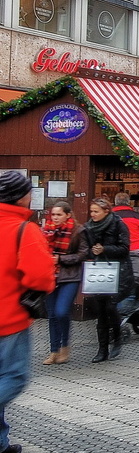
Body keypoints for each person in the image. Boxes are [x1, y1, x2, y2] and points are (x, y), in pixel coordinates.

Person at [1, 171, 56, 453]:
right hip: (8, 319)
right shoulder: (24, 229)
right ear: (22, 196)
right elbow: (39, 277)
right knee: (13, 377)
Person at [82, 197, 134, 363]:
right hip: (99, 272)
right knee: (101, 311)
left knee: (111, 307)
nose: (93, 214)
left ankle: (117, 339)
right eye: (92, 211)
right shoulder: (89, 227)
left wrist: (105, 249)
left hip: (118, 271)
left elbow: (124, 249)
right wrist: (93, 252)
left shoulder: (119, 225)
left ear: (106, 211)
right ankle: (102, 349)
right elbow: (87, 250)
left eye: (96, 211)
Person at [41, 201, 88, 365]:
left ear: (68, 215)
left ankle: (65, 347)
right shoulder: (46, 231)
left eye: (59, 214)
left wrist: (61, 258)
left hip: (70, 275)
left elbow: (83, 254)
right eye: (53, 214)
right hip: (50, 276)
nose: (55, 217)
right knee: (52, 315)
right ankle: (54, 351)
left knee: (61, 312)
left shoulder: (78, 230)